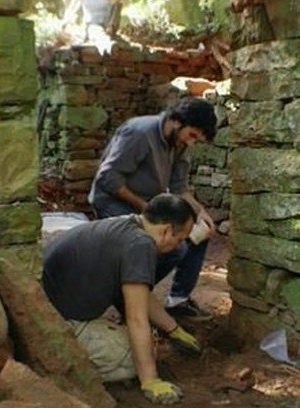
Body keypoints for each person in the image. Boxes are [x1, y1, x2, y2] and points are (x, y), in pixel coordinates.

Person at [42, 194, 202, 405]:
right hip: (57, 326)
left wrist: (173, 329)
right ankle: (62, 372)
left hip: (50, 308)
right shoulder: (140, 245)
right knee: (140, 354)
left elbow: (141, 294)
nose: (178, 247)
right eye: (180, 239)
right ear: (166, 231)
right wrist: (150, 380)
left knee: (144, 343)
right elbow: (136, 318)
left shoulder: (128, 226)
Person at [88, 97, 218, 320]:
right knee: (169, 247)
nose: (191, 143)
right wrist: (146, 209)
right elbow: (107, 178)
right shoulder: (139, 132)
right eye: (192, 135)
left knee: (199, 233)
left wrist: (200, 212)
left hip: (149, 204)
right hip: (113, 200)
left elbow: (179, 187)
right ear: (177, 122)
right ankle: (128, 296)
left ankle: (178, 300)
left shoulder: (180, 143)